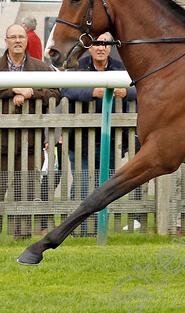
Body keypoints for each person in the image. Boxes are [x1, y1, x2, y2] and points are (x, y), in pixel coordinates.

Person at [0, 24, 60, 240]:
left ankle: (22, 235)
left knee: (27, 190)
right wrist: (12, 89)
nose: (18, 40)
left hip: (31, 141)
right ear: (6, 41)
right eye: (13, 37)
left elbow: (55, 93)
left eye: (21, 37)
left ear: (27, 41)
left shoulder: (40, 67)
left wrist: (31, 92)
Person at [60, 32, 138, 235]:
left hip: (112, 142)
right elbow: (65, 89)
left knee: (106, 187)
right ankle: (79, 230)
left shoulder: (122, 68)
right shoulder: (78, 66)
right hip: (82, 141)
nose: (100, 48)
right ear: (89, 47)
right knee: (82, 185)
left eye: (104, 44)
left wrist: (126, 92)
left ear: (110, 47)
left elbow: (143, 86)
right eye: (96, 44)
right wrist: (93, 92)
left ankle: (99, 229)